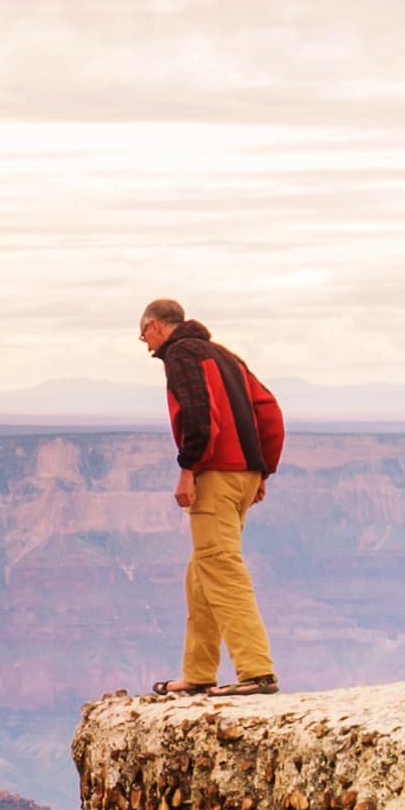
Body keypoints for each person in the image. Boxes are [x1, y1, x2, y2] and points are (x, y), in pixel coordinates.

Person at [137, 296, 277, 697]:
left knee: (221, 567)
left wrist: (188, 469)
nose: (146, 346)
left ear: (155, 327)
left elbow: (198, 416)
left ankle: (257, 672)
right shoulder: (226, 356)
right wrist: (260, 468)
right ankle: (198, 672)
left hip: (216, 475)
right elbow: (268, 411)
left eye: (143, 336)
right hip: (244, 475)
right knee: (201, 574)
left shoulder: (181, 355)